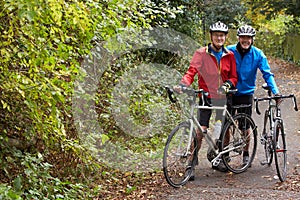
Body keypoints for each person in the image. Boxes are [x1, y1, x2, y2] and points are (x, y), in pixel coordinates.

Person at [174, 21, 238, 180]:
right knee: (200, 130)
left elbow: (233, 77)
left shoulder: (229, 55)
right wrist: (183, 85)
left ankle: (222, 157)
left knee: (223, 129)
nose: (219, 38)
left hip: (222, 97)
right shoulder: (201, 53)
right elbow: (191, 72)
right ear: (211, 36)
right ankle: (191, 162)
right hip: (205, 97)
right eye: (216, 35)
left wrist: (226, 86)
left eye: (222, 35)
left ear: (226, 37)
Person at [226, 24, 281, 165]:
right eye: (243, 37)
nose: (245, 40)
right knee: (226, 125)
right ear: (238, 38)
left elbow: (267, 74)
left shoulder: (258, 54)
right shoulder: (229, 51)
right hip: (230, 92)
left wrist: (275, 91)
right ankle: (224, 154)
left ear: (252, 39)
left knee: (245, 126)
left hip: (246, 92)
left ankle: (246, 153)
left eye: (248, 38)